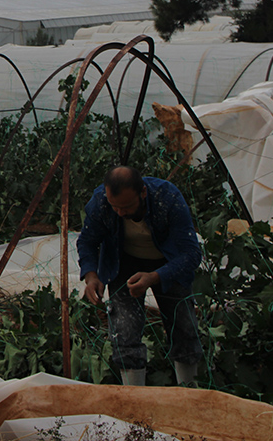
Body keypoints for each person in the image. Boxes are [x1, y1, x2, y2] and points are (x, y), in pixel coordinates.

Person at [76, 165, 203, 386]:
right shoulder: (101, 202)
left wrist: (155, 276)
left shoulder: (168, 198)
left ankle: (189, 391)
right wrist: (91, 275)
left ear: (143, 192)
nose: (120, 213)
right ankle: (135, 399)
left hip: (167, 263)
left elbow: (191, 254)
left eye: (126, 206)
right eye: (115, 207)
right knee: (124, 329)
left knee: (183, 325)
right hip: (123, 263)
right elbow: (87, 241)